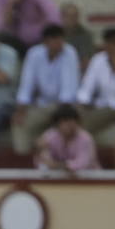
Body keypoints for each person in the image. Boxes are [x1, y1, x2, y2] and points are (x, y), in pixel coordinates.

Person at [13, 23, 79, 153]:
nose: (59, 43)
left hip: (64, 106)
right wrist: (21, 108)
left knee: (63, 125)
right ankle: (22, 158)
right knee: (19, 123)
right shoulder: (34, 54)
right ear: (46, 42)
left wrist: (61, 116)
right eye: (55, 40)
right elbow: (27, 84)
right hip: (41, 104)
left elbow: (69, 88)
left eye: (61, 39)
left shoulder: (69, 53)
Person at [35, 104, 97, 173]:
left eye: (73, 121)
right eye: (65, 121)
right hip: (57, 179)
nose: (70, 125)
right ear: (57, 124)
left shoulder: (85, 138)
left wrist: (57, 165)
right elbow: (43, 162)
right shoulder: (50, 136)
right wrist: (41, 150)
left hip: (89, 179)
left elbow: (83, 163)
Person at [61, 3, 95, 69]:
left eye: (75, 16)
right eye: (69, 16)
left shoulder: (85, 35)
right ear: (62, 17)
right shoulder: (56, 35)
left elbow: (86, 60)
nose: (72, 19)